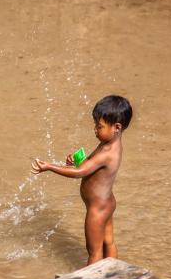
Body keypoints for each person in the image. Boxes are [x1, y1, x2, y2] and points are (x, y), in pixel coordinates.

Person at [31, 95, 132, 265]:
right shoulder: (110, 144)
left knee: (94, 251)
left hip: (97, 208)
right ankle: (112, 272)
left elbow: (80, 172)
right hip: (107, 202)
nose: (95, 130)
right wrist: (78, 160)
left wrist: (49, 166)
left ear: (116, 127)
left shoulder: (107, 151)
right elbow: (90, 166)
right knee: (109, 242)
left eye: (99, 126)